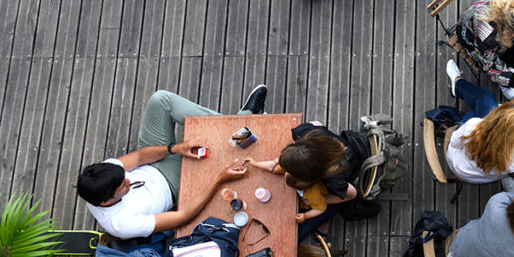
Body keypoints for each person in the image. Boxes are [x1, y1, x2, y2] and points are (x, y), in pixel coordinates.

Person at [74, 86, 268, 239]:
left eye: (124, 177)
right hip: (173, 184)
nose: (129, 181)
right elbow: (183, 216)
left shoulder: (104, 174)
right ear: (106, 201)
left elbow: (140, 157)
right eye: (122, 186)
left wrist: (175, 148)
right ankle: (243, 123)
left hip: (153, 161)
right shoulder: (121, 224)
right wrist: (218, 180)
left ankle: (240, 122)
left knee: (160, 100)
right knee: (226, 158)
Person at [245, 122, 359, 241]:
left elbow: (351, 195)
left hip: (346, 175)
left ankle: (326, 220)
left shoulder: (333, 180)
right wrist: (281, 159)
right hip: (327, 148)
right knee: (316, 124)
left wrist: (318, 201)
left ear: (309, 178)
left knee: (297, 234)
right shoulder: (304, 134)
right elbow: (315, 123)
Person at [455, 0, 514, 100]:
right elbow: (489, 67)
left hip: (489, 26)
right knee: (510, 89)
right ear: (508, 30)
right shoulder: (486, 35)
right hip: (471, 37)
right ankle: (504, 82)